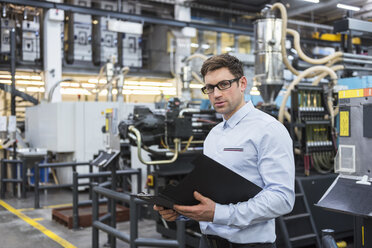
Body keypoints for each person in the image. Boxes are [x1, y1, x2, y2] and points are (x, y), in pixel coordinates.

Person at [154, 54, 295, 248]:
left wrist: (220, 214)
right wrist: (182, 211)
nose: (216, 94)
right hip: (208, 242)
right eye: (210, 88)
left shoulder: (268, 129)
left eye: (224, 84)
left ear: (242, 83)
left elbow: (282, 198)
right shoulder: (214, 135)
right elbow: (211, 194)